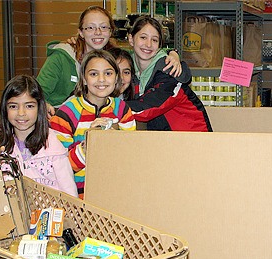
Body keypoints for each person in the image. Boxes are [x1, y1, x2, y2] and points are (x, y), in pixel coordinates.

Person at [36, 6, 181, 116]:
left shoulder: (111, 57)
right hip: (58, 120)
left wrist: (172, 53)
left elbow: (142, 52)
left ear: (111, 31)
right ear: (81, 32)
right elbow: (35, 94)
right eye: (91, 28)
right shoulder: (62, 57)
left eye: (103, 27)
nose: (98, 33)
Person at [50, 50, 136, 199]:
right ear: (83, 79)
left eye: (108, 73)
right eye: (94, 74)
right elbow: (59, 168)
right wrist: (87, 144)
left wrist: (116, 140)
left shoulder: (122, 110)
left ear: (117, 78)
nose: (101, 80)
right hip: (77, 197)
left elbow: (131, 157)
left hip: (115, 194)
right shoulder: (66, 114)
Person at [0, 75, 78, 197]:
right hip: (11, 212)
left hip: (48, 212)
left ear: (39, 107)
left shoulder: (52, 145)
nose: (21, 113)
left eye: (29, 106)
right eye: (13, 106)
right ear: (5, 109)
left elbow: (69, 191)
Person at [126, 16, 212, 131]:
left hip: (192, 138)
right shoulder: (128, 68)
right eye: (143, 37)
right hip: (165, 137)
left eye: (155, 40)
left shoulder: (170, 71)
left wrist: (111, 108)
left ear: (160, 45)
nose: (148, 44)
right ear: (131, 39)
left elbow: (149, 107)